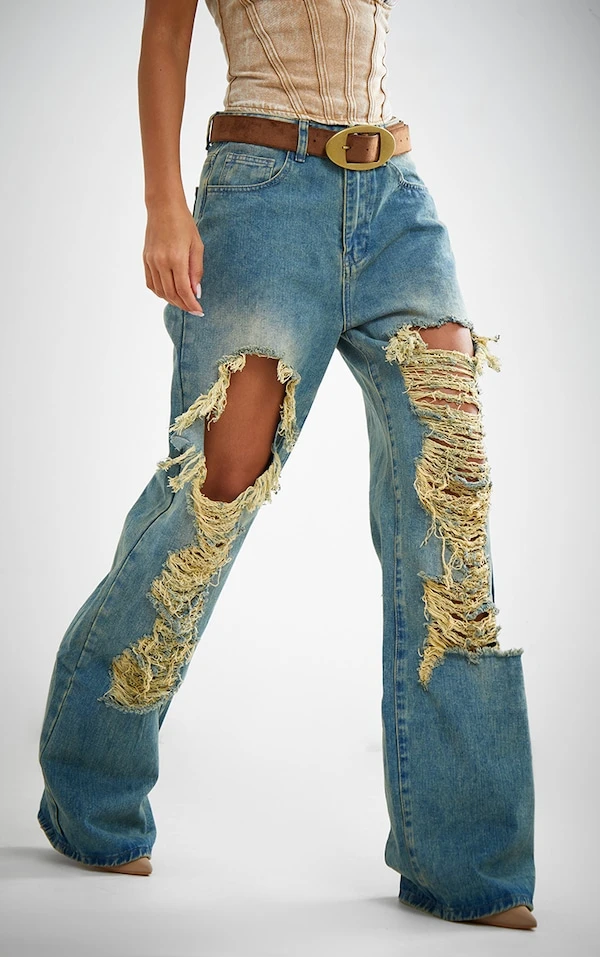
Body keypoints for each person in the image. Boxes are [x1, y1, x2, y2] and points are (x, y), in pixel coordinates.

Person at [36, 0, 537, 931]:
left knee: (451, 495)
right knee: (216, 491)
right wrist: (162, 204)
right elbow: (166, 33)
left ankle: (468, 862)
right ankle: (90, 783)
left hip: (397, 199)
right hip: (265, 190)